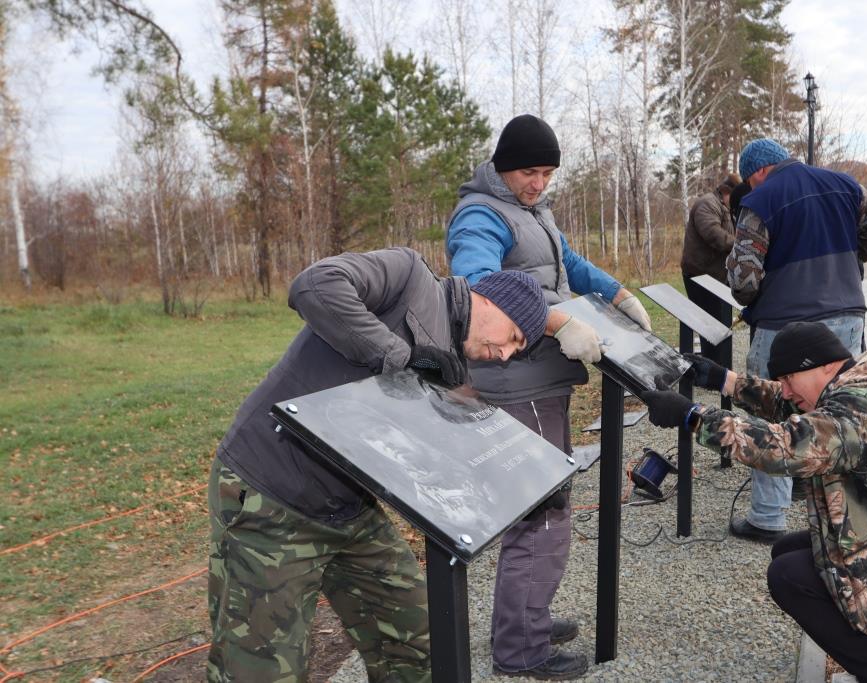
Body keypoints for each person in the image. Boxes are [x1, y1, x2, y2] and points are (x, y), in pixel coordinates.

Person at [207, 247, 551, 683]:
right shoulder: (407, 276)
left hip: (348, 508)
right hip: (271, 494)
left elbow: (449, 453)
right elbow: (315, 286)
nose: (505, 354)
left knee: (418, 643)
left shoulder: (454, 364)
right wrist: (403, 358)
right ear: (491, 302)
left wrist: (523, 486)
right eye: (515, 337)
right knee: (259, 670)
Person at [640, 322, 867, 683]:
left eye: (790, 377)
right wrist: (723, 379)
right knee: (789, 550)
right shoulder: (861, 385)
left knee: (788, 577)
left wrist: (693, 417)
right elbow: (790, 402)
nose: (786, 389)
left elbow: (787, 447)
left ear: (825, 365)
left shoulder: (861, 409)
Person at [446, 113, 653, 680]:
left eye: (548, 173)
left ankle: (524, 618)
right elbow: (476, 283)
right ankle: (520, 648)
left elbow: (569, 264)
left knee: (542, 510)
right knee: (542, 517)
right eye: (530, 172)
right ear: (504, 167)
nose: (539, 183)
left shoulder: (531, 212)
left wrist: (616, 292)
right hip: (517, 382)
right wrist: (558, 322)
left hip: (542, 380)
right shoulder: (481, 216)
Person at [724, 138, 867, 542]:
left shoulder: (761, 199)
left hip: (783, 321)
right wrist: (849, 257)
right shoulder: (845, 184)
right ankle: (845, 518)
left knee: (770, 411)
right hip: (846, 317)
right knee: (842, 412)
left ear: (757, 173)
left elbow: (744, 280)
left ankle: (768, 516)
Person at [681, 172, 741, 369]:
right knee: (708, 325)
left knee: (720, 323)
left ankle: (718, 367)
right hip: (700, 275)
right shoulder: (707, 204)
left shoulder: (725, 207)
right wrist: (742, 245)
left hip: (716, 276)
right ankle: (711, 368)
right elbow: (714, 235)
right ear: (726, 192)